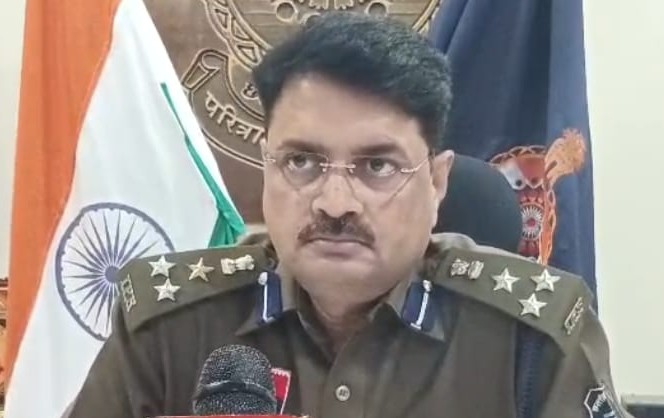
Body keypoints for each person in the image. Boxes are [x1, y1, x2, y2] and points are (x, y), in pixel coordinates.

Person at [65, 12, 631, 418]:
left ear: (436, 182)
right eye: (302, 161)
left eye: (377, 166)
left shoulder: (532, 336)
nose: (335, 202)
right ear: (267, 166)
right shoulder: (168, 323)